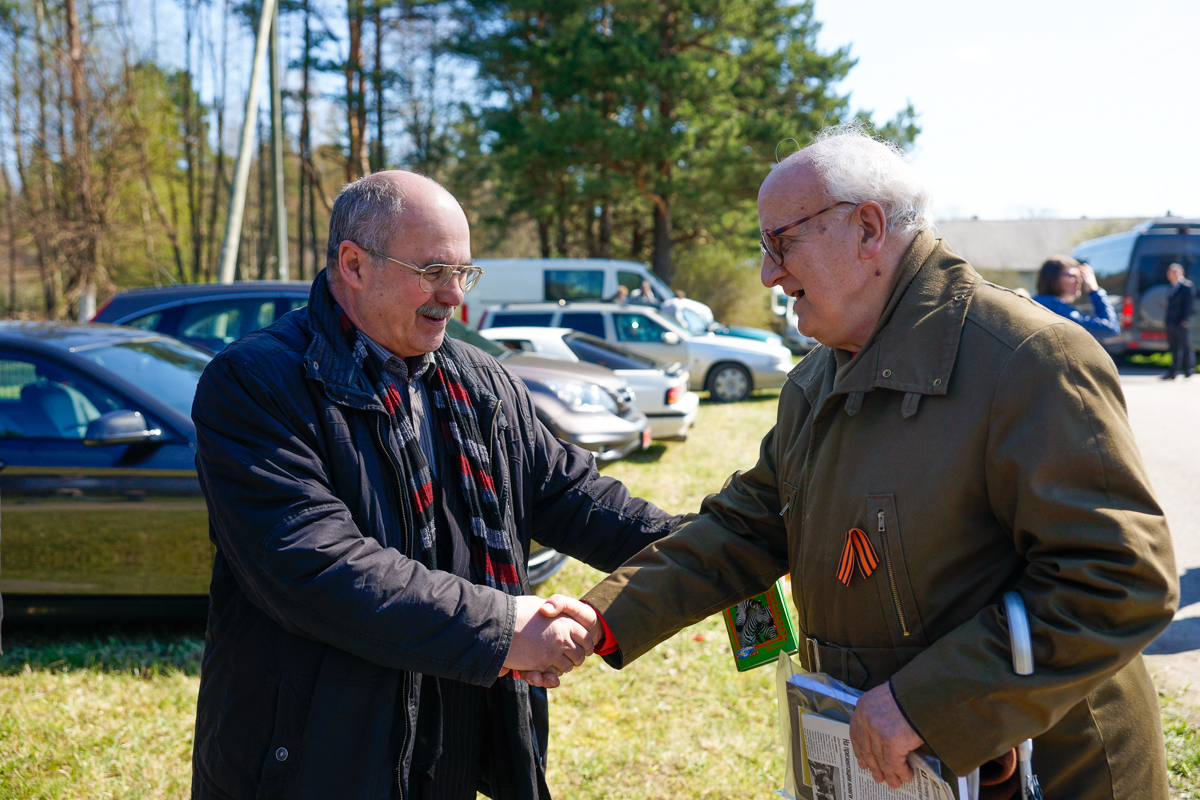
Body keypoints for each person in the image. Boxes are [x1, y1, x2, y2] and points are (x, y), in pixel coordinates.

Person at [550, 125, 1179, 799]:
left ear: (868, 228)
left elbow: (1119, 582)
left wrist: (926, 703)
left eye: (780, 242)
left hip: (1047, 774)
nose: (769, 273)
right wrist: (601, 616)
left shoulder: (1027, 358)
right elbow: (744, 529)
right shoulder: (817, 380)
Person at [189, 171, 678, 800]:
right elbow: (315, 566)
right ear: (353, 264)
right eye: (432, 271)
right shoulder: (255, 384)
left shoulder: (478, 381)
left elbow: (574, 497)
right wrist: (503, 628)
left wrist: (710, 550)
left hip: (453, 740)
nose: (453, 296)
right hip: (319, 758)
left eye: (465, 274)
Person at [1032, 256, 1120, 339]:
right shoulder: (1058, 310)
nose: (1080, 281)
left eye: (1079, 276)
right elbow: (1110, 328)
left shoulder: (1036, 304)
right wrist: (1094, 291)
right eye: (1072, 276)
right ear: (1053, 278)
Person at [1163, 262, 1195, 379]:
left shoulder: (1187, 286)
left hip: (1181, 322)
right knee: (1174, 347)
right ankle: (1173, 371)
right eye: (1170, 273)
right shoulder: (1171, 287)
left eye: (1174, 272)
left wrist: (1185, 320)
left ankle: (1189, 370)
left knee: (1185, 347)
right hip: (1171, 322)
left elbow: (1189, 305)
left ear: (1181, 273)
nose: (1172, 275)